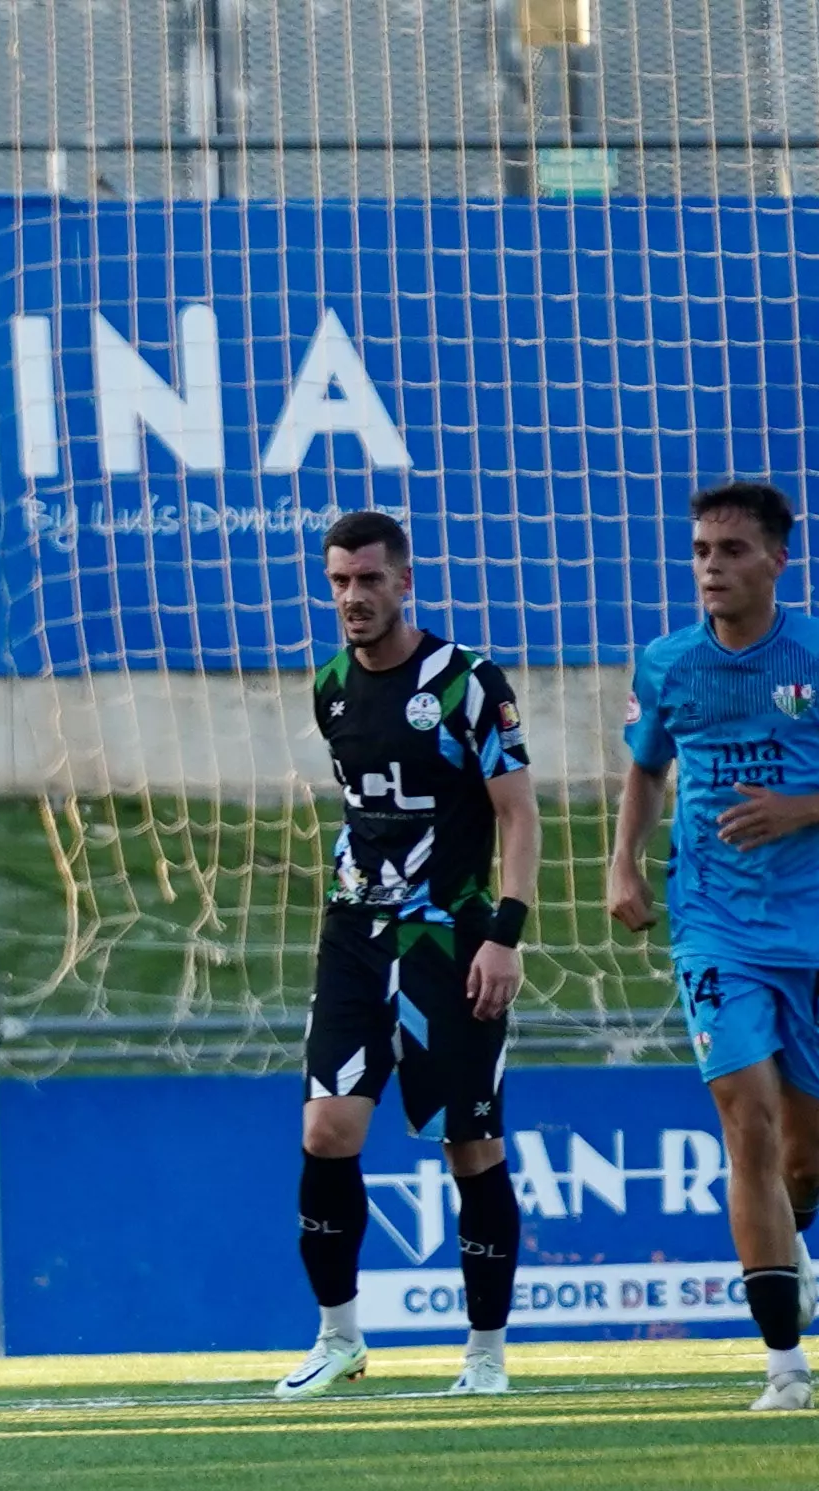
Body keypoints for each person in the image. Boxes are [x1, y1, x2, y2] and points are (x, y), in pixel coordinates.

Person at [605, 482, 819, 1414]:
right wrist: (621, 865)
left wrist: (805, 809)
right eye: (702, 550)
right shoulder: (668, 662)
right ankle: (785, 1367)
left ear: (777, 560)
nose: (712, 567)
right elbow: (644, 767)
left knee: (805, 1162)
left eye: (732, 551)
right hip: (712, 922)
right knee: (742, 1121)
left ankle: (793, 1243)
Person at [273, 510, 540, 1401]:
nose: (354, 597)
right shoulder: (332, 688)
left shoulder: (467, 683)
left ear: (405, 581)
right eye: (341, 581)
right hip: (354, 933)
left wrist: (505, 932)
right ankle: (338, 1338)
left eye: (370, 580)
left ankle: (486, 1355)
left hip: (452, 939)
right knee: (326, 1129)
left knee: (470, 1144)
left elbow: (518, 815)